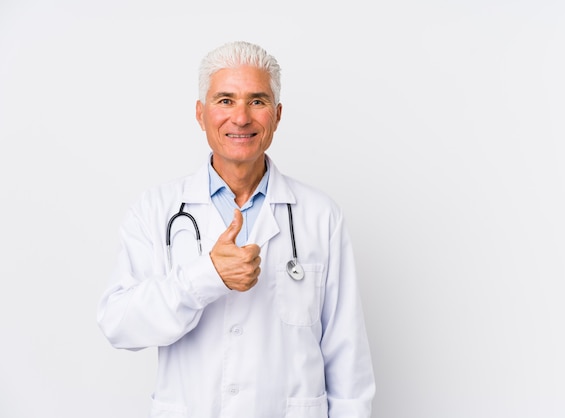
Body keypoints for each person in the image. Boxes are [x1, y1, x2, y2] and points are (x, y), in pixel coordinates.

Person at [97, 40, 375, 418]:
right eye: (225, 100)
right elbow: (120, 325)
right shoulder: (155, 210)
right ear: (200, 113)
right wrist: (205, 276)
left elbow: (348, 356)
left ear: (277, 115)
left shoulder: (319, 215)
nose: (241, 118)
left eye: (257, 101)